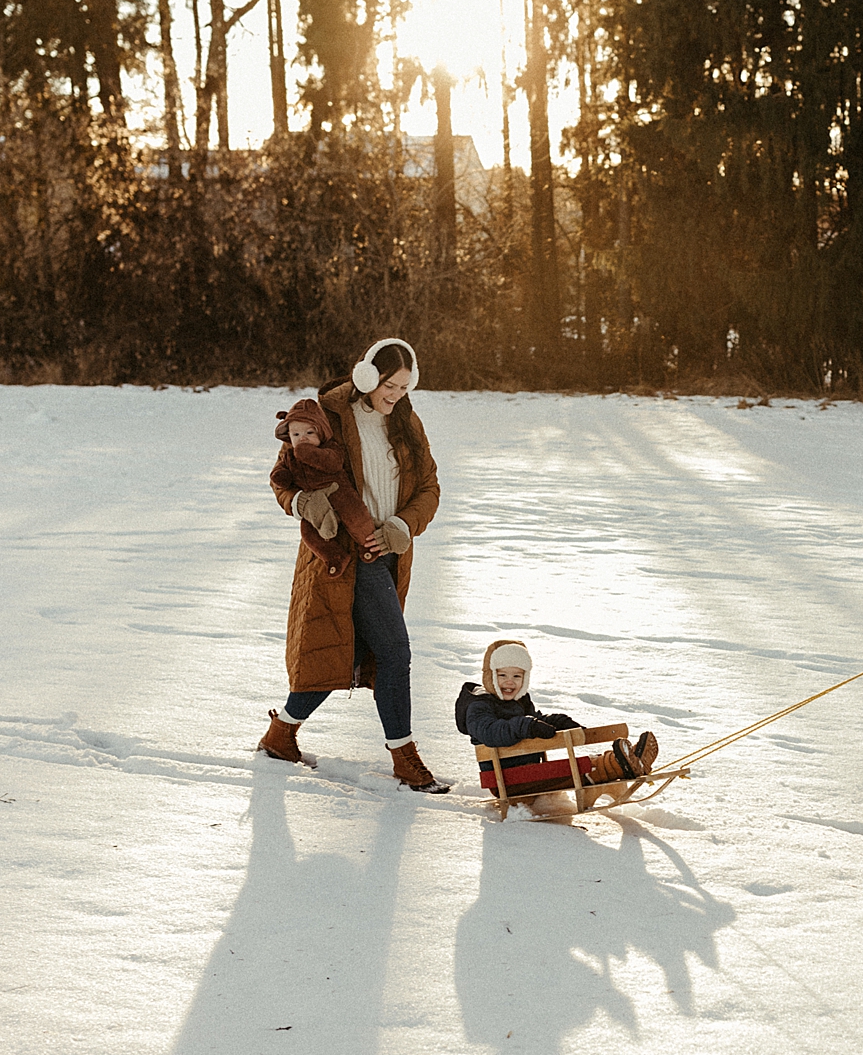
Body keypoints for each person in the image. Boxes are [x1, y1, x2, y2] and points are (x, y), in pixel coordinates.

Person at [254, 339, 447, 792]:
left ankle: (281, 734)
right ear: (366, 376)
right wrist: (303, 503)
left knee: (348, 652)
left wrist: (404, 524)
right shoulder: (328, 414)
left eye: (404, 386)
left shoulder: (406, 422)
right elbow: (283, 478)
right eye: (388, 384)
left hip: (389, 553)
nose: (396, 394)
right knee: (394, 654)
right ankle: (404, 759)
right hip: (343, 557)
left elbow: (431, 486)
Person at [455, 639, 659, 793]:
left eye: (517, 676)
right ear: (489, 675)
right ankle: (619, 764)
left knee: (572, 767)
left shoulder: (520, 701)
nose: (510, 682)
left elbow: (536, 721)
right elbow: (491, 732)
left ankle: (625, 761)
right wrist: (527, 726)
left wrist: (556, 722)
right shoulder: (478, 706)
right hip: (505, 780)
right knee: (573, 770)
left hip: (528, 772)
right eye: (502, 676)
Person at [270, 397, 375, 579]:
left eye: (309, 433)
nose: (302, 438)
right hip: (314, 502)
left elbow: (333, 463)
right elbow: (280, 474)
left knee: (356, 516)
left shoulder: (331, 448)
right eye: (296, 435)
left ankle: (367, 544)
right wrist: (281, 477)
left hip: (338, 492)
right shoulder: (289, 456)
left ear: (322, 433)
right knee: (309, 533)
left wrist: (307, 452)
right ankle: (335, 556)